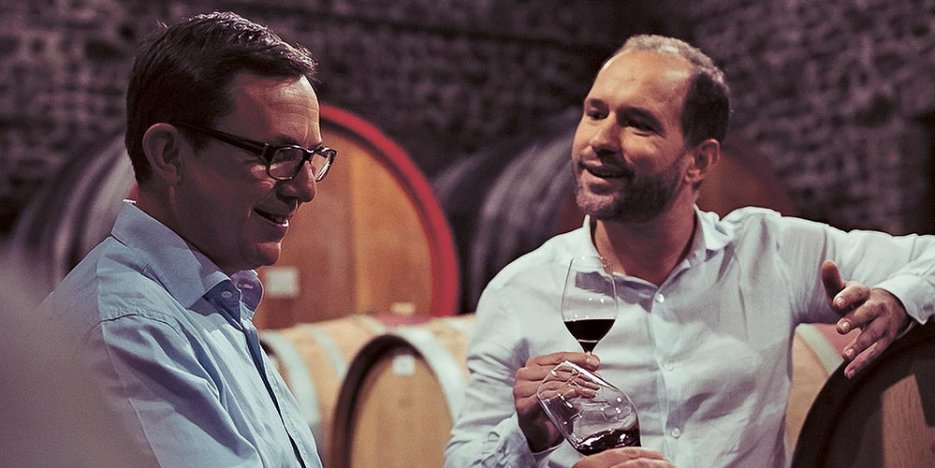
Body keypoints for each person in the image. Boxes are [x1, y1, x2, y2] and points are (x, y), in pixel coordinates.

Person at [445, 34, 935, 467]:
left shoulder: (772, 252)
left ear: (699, 161)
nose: (600, 139)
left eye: (638, 124)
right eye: (595, 113)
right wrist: (526, 439)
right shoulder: (520, 290)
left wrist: (899, 298)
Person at [35, 11, 334, 467]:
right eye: (279, 155)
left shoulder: (208, 303)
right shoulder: (130, 330)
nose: (305, 187)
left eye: (311, 156)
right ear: (169, 154)